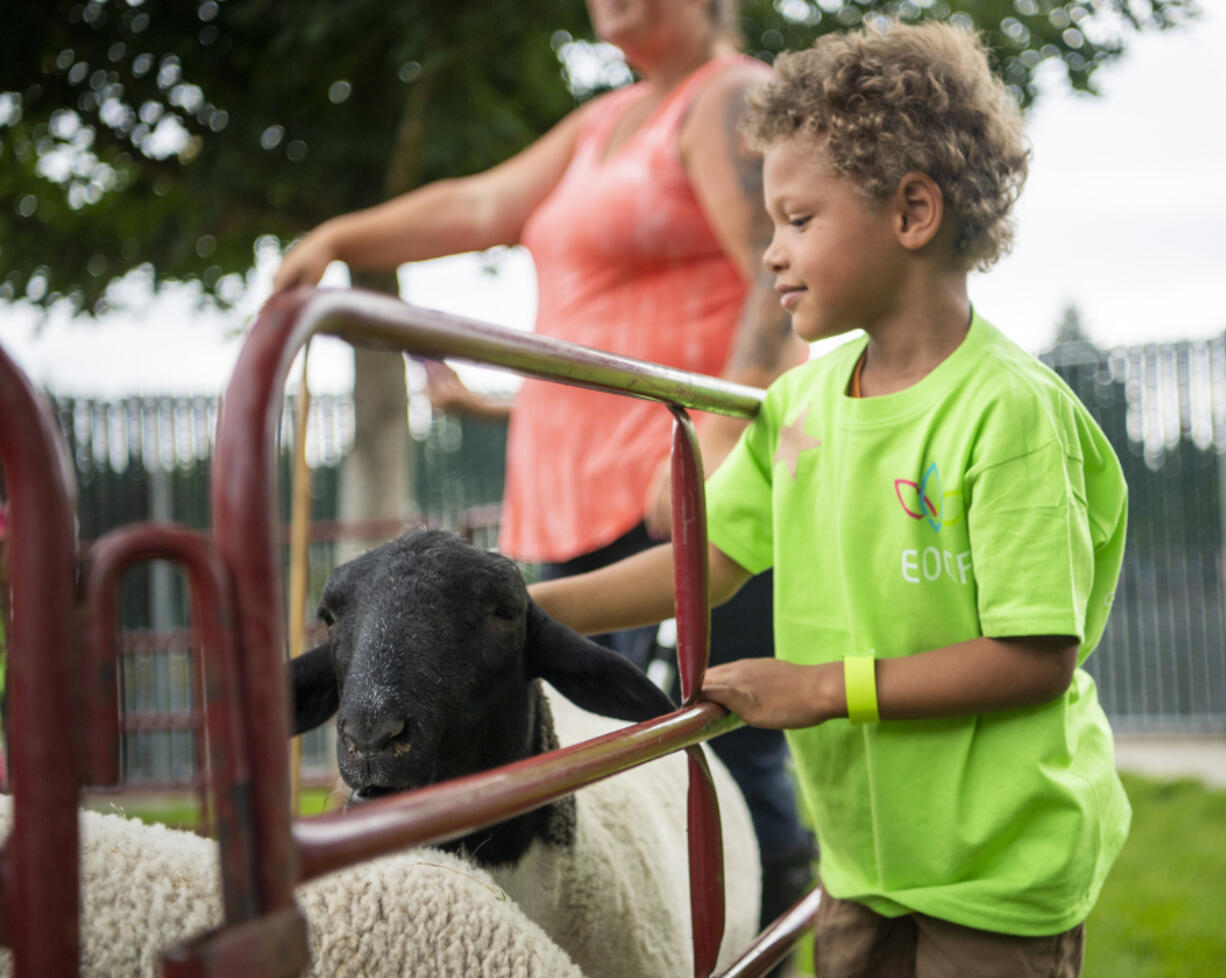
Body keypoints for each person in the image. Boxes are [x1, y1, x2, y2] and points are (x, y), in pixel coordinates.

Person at [529, 18, 1131, 978]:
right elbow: (710, 561)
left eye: (799, 222)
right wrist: (521, 607)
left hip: (998, 872)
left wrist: (819, 689)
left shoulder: (1008, 415)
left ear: (912, 214)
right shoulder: (800, 404)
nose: (770, 253)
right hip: (862, 860)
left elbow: (1034, 659)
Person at [272, 0, 816, 934]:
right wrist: (338, 239)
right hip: (568, 500)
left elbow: (775, 272)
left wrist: (715, 451)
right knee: (584, 766)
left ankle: (762, 947)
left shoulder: (729, 99)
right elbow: (482, 203)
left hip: (673, 493)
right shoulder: (605, 120)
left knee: (723, 741)